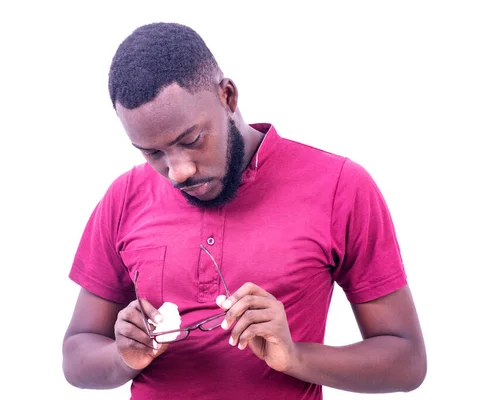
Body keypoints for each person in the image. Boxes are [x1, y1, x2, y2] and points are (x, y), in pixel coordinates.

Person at [62, 22, 427, 399]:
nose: (179, 170)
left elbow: (406, 361)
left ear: (228, 96)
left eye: (192, 140)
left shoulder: (340, 186)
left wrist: (295, 357)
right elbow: (77, 355)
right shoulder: (125, 197)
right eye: (153, 153)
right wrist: (124, 357)